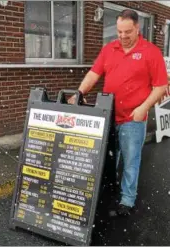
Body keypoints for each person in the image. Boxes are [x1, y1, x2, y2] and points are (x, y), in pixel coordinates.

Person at [68, 9, 168, 216]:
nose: (122, 36)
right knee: (108, 158)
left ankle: (127, 200)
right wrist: (79, 93)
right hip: (107, 115)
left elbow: (160, 86)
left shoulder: (151, 52)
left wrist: (143, 108)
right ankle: (109, 191)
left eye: (127, 32)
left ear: (137, 28)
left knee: (131, 161)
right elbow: (93, 73)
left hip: (133, 118)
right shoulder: (109, 49)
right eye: (119, 32)